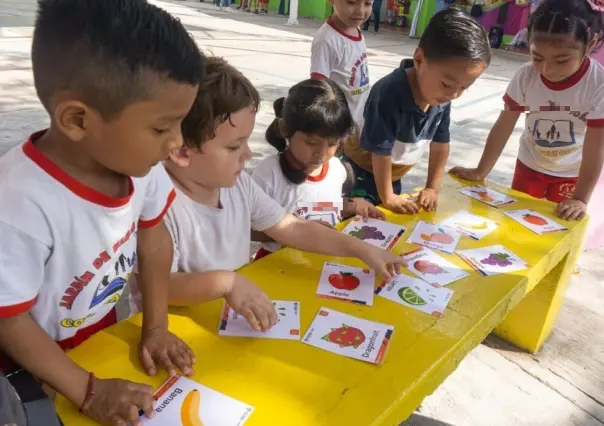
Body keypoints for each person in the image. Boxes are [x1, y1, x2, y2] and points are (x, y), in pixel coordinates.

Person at [0, 1, 203, 425]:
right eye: (162, 127)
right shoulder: (20, 201)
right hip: (28, 374)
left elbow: (153, 237)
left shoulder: (138, 165)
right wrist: (87, 392)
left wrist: (157, 327)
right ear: (77, 119)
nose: (176, 142)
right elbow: (10, 320)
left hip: (101, 341)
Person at [128, 57, 405, 331]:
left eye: (246, 142)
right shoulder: (156, 204)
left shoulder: (238, 186)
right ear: (181, 151)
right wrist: (227, 283)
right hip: (173, 332)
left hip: (230, 321)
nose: (248, 154)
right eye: (234, 146)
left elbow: (293, 228)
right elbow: (158, 286)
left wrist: (362, 249)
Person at [451, 0, 604, 222]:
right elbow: (504, 124)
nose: (546, 69)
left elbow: (596, 146)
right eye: (537, 57)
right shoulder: (526, 76)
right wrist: (481, 170)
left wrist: (580, 198)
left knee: (558, 228)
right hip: (529, 165)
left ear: (590, 45)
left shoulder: (598, 84)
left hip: (571, 175)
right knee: (517, 223)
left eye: (562, 60)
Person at [342, 8, 491, 213]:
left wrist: (432, 187)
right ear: (419, 60)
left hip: (393, 172)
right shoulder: (388, 93)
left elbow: (441, 144)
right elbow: (380, 152)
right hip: (361, 171)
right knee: (361, 218)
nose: (455, 95)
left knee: (392, 219)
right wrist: (388, 197)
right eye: (447, 84)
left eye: (464, 87)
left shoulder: (442, 97)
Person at [251, 78, 385, 260]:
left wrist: (352, 206)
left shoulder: (337, 170)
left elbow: (323, 205)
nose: (321, 154)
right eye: (311, 142)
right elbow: (248, 229)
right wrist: (299, 230)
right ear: (284, 128)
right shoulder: (269, 173)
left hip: (324, 261)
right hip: (276, 263)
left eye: (332, 144)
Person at [310, 0, 373, 132]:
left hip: (360, 123)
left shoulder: (356, 29)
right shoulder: (326, 40)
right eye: (351, 2)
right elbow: (319, 90)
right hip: (342, 128)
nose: (360, 11)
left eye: (367, 3)